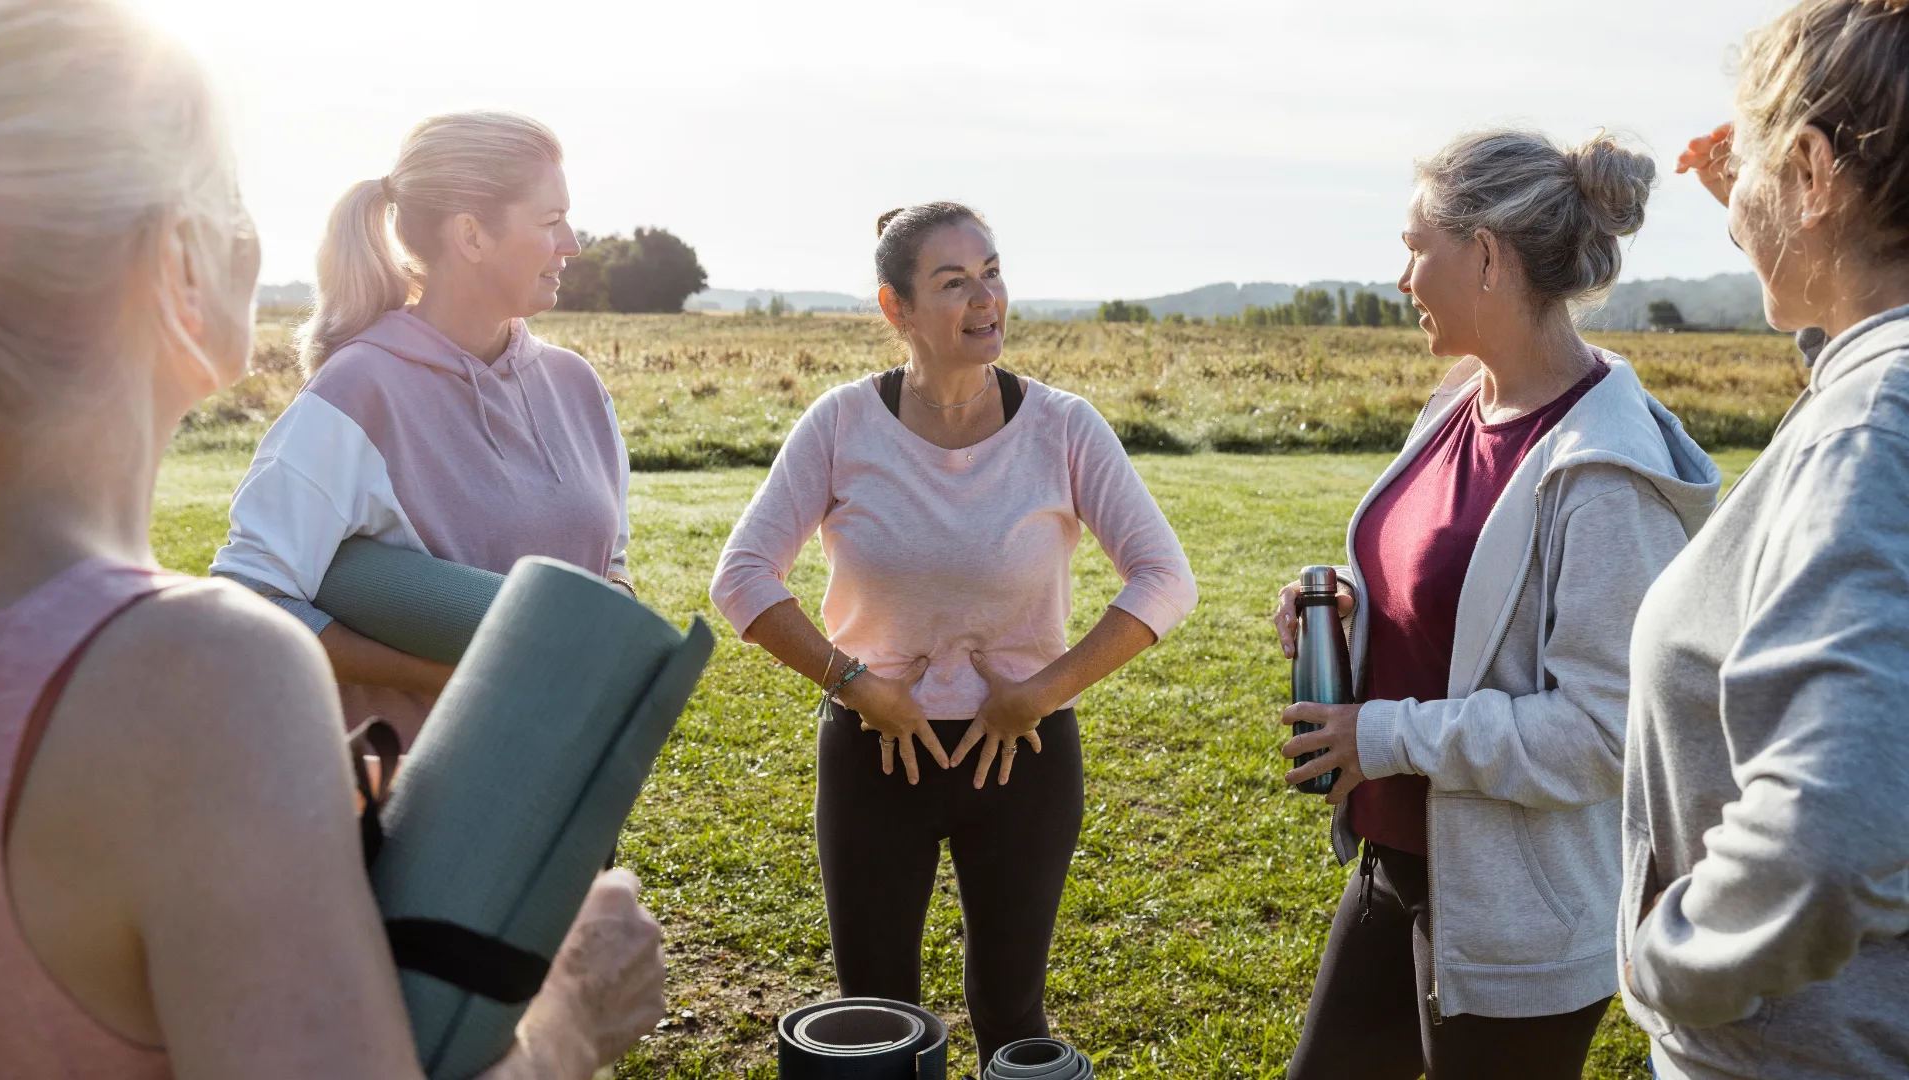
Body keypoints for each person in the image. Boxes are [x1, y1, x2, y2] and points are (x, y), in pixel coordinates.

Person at [0, 2, 662, 1075]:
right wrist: (571, 1018)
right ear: (180, 266)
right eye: (230, 201)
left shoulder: (572, 386)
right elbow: (264, 592)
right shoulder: (203, 683)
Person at [1274, 130, 1721, 1079]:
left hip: (1518, 915)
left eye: (1416, 245)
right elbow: (1462, 593)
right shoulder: (1462, 399)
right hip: (1398, 863)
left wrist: (1382, 736)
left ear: (1483, 255)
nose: (1401, 276)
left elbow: (1603, 734)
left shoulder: (1607, 475)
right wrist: (1358, 606)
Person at [709, 203, 1196, 1066]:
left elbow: (1166, 578)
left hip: (1024, 754)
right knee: (873, 1019)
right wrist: (857, 686)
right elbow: (741, 577)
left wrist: (1036, 697)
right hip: (872, 748)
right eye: (954, 281)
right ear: (896, 310)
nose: (986, 297)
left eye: (993, 272)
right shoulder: (840, 425)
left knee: (1012, 1013)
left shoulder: (1063, 427)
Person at [1623, 2, 1909, 1076]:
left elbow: (1829, 837)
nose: (1735, 204)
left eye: (1748, 167)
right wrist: (1763, 220)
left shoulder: (1874, 432)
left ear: (1812, 171)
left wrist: (1670, 963)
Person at [210, 110, 634, 744]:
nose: (572, 243)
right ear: (471, 235)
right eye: (550, 222)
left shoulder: (577, 388)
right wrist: (446, 677)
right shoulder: (358, 392)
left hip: (568, 783)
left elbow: (611, 562)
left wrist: (613, 615)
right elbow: (246, 601)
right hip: (414, 806)